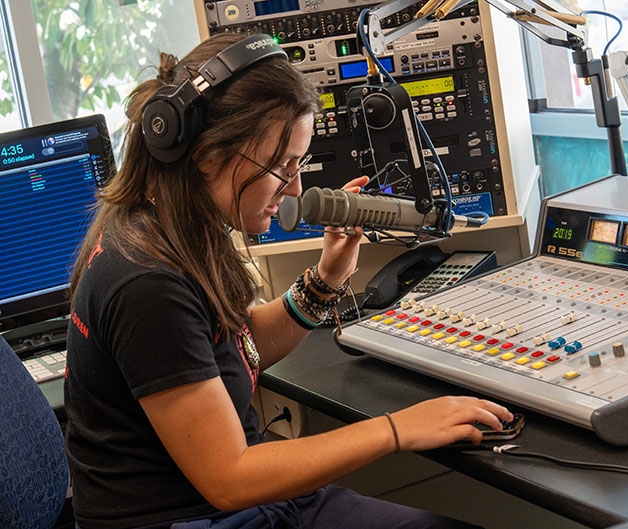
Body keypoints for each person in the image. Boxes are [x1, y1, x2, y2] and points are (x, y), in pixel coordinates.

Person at [64, 32, 514, 529]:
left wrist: (325, 281)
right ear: (206, 155)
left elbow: (228, 350)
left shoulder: (170, 227)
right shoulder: (145, 282)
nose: (295, 188)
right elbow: (230, 476)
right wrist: (397, 429)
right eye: (281, 166)